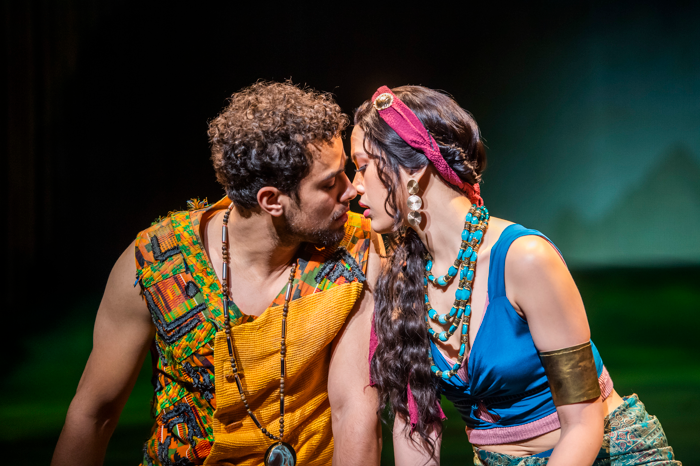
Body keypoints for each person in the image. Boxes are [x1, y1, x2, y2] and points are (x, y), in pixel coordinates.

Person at [51, 81, 383, 466]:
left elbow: (355, 411)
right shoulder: (161, 262)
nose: (352, 190)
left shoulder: (358, 249)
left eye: (345, 171)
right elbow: (95, 414)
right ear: (271, 201)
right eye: (330, 183)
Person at [350, 85, 680, 465]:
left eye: (362, 167)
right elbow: (416, 428)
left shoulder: (524, 258)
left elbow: (584, 423)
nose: (355, 187)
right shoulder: (402, 278)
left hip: (600, 454)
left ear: (415, 167)